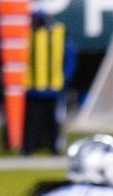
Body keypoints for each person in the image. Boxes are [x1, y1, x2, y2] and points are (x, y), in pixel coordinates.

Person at [20, 6, 72, 156]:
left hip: (53, 87)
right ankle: (28, 149)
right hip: (33, 87)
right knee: (31, 122)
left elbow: (69, 57)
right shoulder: (27, 34)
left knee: (53, 123)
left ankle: (54, 148)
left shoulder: (59, 33)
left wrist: (64, 76)